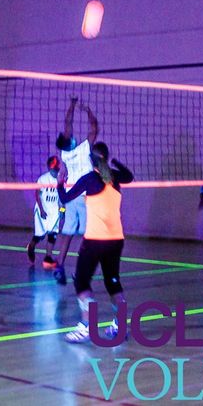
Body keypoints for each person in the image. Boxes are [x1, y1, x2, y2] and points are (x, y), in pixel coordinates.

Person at [57, 142, 133, 343]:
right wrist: (114, 162)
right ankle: (120, 325)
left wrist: (59, 182)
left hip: (94, 241)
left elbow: (64, 198)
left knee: (81, 282)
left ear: (91, 160)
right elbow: (130, 176)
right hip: (116, 240)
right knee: (112, 282)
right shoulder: (115, 176)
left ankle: (86, 326)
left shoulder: (89, 179)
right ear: (106, 158)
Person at [47, 97, 98, 285]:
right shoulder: (83, 148)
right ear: (69, 140)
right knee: (88, 236)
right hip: (84, 197)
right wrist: (85, 110)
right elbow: (94, 128)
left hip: (70, 197)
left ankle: (59, 265)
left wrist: (71, 106)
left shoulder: (65, 154)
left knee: (67, 233)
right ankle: (81, 270)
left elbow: (67, 123)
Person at [26, 156, 63, 264]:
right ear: (49, 168)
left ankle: (48, 257)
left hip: (54, 210)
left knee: (53, 234)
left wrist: (62, 210)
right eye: (54, 169)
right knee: (40, 236)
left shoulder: (61, 179)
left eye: (57, 168)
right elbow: (37, 195)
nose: (56, 171)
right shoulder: (43, 179)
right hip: (43, 208)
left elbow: (61, 197)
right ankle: (31, 247)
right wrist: (41, 210)